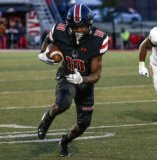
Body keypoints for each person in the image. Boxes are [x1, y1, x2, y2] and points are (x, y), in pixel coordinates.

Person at [37, 4, 108, 157]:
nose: (78, 31)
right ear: (68, 26)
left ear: (89, 25)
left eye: (81, 27)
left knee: (83, 124)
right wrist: (43, 53)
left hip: (85, 81)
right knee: (63, 103)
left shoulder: (98, 39)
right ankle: (48, 117)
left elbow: (96, 75)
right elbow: (48, 38)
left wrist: (82, 78)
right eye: (74, 27)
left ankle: (65, 141)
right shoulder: (59, 30)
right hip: (67, 75)